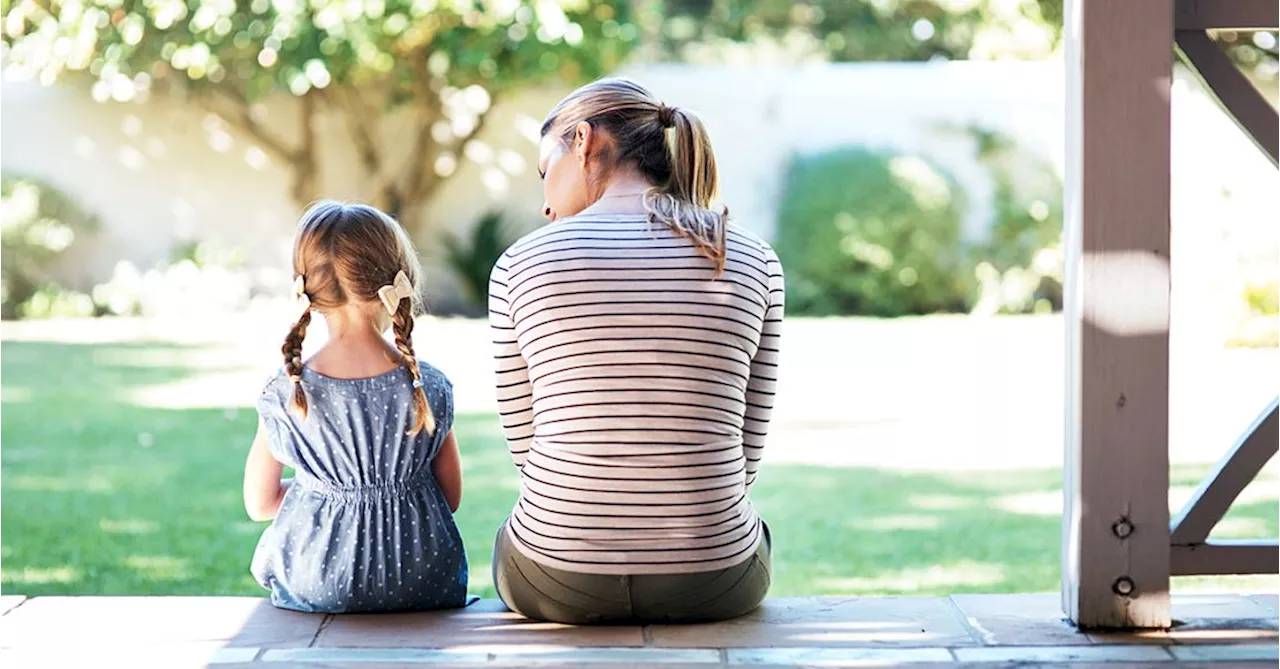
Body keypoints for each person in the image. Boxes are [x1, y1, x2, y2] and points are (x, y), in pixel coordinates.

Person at [488, 78, 784, 624]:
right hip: (714, 578)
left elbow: (527, 449)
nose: (545, 202)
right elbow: (747, 449)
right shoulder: (751, 257)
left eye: (543, 171)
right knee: (752, 530)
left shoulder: (520, 264)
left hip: (555, 578)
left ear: (582, 141)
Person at [243, 201, 468, 613]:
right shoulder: (429, 386)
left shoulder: (286, 392)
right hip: (423, 580)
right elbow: (450, 496)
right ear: (398, 280)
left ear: (306, 288)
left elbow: (260, 504)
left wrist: (325, 489)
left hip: (319, 583)